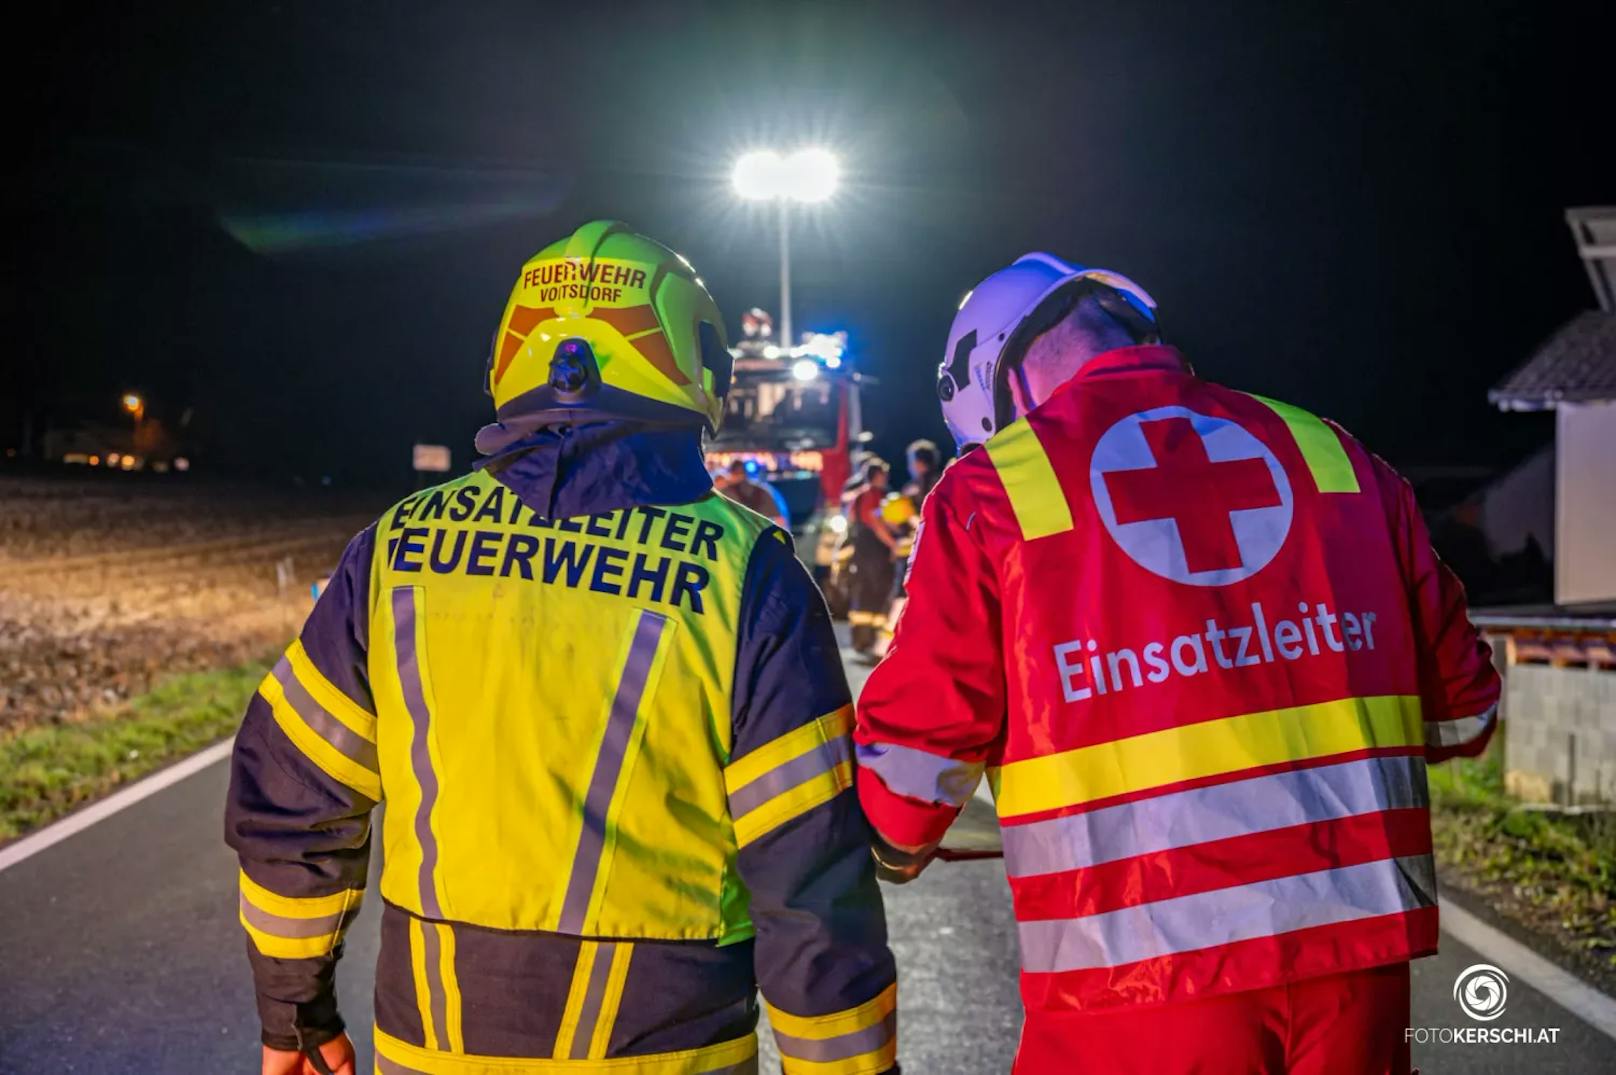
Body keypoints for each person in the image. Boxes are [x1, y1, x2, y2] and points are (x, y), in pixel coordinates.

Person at [226, 220, 897, 1075]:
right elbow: (811, 889)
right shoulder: (747, 572)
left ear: (513, 359)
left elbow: (292, 804)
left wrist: (294, 1015)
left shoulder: (395, 550)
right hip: (668, 1053)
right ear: (694, 366)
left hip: (433, 1046)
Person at [854, 252, 1500, 1074]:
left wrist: (879, 842)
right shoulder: (1336, 456)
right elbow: (1463, 711)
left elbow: (910, 775)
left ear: (998, 386)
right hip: (1357, 967)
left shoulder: (992, 492)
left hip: (1135, 974)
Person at [843, 459, 898, 655]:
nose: (886, 478)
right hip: (876, 550)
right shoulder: (876, 495)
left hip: (860, 548)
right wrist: (894, 545)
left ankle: (860, 639)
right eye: (884, 475)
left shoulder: (856, 496)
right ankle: (872, 639)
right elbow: (877, 524)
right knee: (878, 590)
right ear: (878, 476)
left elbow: (851, 520)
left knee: (862, 590)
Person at [717, 458, 789, 528]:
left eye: (740, 473)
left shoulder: (762, 491)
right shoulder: (724, 492)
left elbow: (779, 519)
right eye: (738, 473)